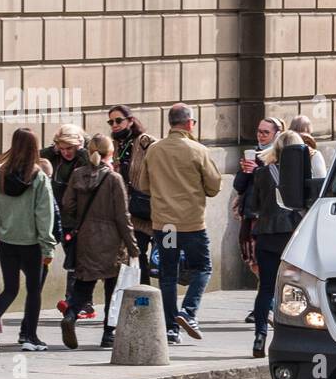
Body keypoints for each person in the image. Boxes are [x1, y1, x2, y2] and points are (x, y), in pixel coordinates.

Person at [141, 103, 221, 344]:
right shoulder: (198, 150)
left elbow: (144, 186)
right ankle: (188, 311)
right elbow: (214, 186)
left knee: (167, 274)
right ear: (189, 123)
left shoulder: (154, 150)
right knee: (203, 268)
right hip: (191, 224)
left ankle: (170, 329)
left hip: (164, 224)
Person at [0, 128, 57, 351]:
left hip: (7, 242)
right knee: (34, 290)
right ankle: (30, 337)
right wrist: (47, 247)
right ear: (34, 147)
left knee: (11, 288)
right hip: (31, 244)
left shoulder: (1, 175)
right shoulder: (39, 177)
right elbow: (44, 215)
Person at [59, 134, 138, 350]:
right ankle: (108, 334)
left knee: (84, 283)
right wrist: (133, 246)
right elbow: (123, 216)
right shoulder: (114, 178)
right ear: (110, 153)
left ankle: (71, 314)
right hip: (112, 240)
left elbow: (67, 205)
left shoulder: (77, 174)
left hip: (86, 236)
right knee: (113, 289)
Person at [235, 130, 306, 357]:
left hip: (266, 235)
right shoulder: (302, 175)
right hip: (291, 236)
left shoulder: (263, 173)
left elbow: (254, 205)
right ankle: (294, 338)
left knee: (265, 288)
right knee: (296, 288)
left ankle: (259, 337)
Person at [236, 117, 284, 324]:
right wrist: (247, 171)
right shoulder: (253, 154)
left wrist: (257, 170)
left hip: (267, 218)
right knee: (253, 262)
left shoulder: (278, 157)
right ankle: (265, 304)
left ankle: (267, 307)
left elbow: (277, 186)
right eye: (259, 131)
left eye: (266, 132)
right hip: (249, 214)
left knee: (265, 265)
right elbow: (239, 186)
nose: (261, 135)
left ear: (276, 134)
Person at [43, 126, 92, 318]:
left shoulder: (83, 158)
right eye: (62, 149)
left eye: (69, 149)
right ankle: (82, 302)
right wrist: (53, 149)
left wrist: (82, 151)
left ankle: (74, 301)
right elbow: (36, 155)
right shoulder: (54, 157)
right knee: (74, 260)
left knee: (75, 260)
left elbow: (96, 167)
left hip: (77, 219)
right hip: (57, 217)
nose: (66, 153)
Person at [108, 105, 155, 284]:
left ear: (130, 120)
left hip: (156, 210)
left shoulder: (146, 142)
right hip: (133, 212)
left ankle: (168, 304)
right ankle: (144, 298)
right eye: (111, 121)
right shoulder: (114, 146)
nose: (114, 125)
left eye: (119, 120)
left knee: (166, 255)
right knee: (137, 255)